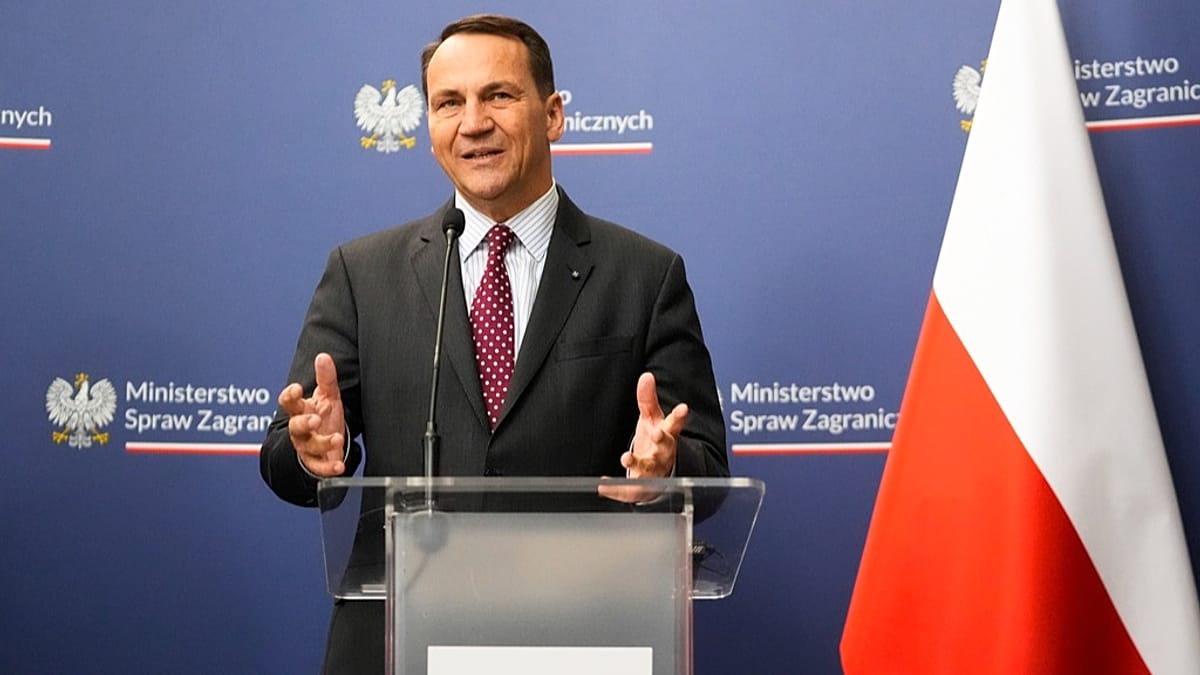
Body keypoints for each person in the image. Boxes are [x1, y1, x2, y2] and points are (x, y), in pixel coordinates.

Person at [260, 13, 728, 673]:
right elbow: (283, 462)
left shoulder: (644, 276)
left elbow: (709, 475)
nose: (473, 122)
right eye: (449, 103)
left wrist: (667, 472)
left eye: (498, 96)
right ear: (430, 128)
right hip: (398, 637)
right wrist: (313, 454)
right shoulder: (362, 274)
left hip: (582, 637)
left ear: (553, 114)